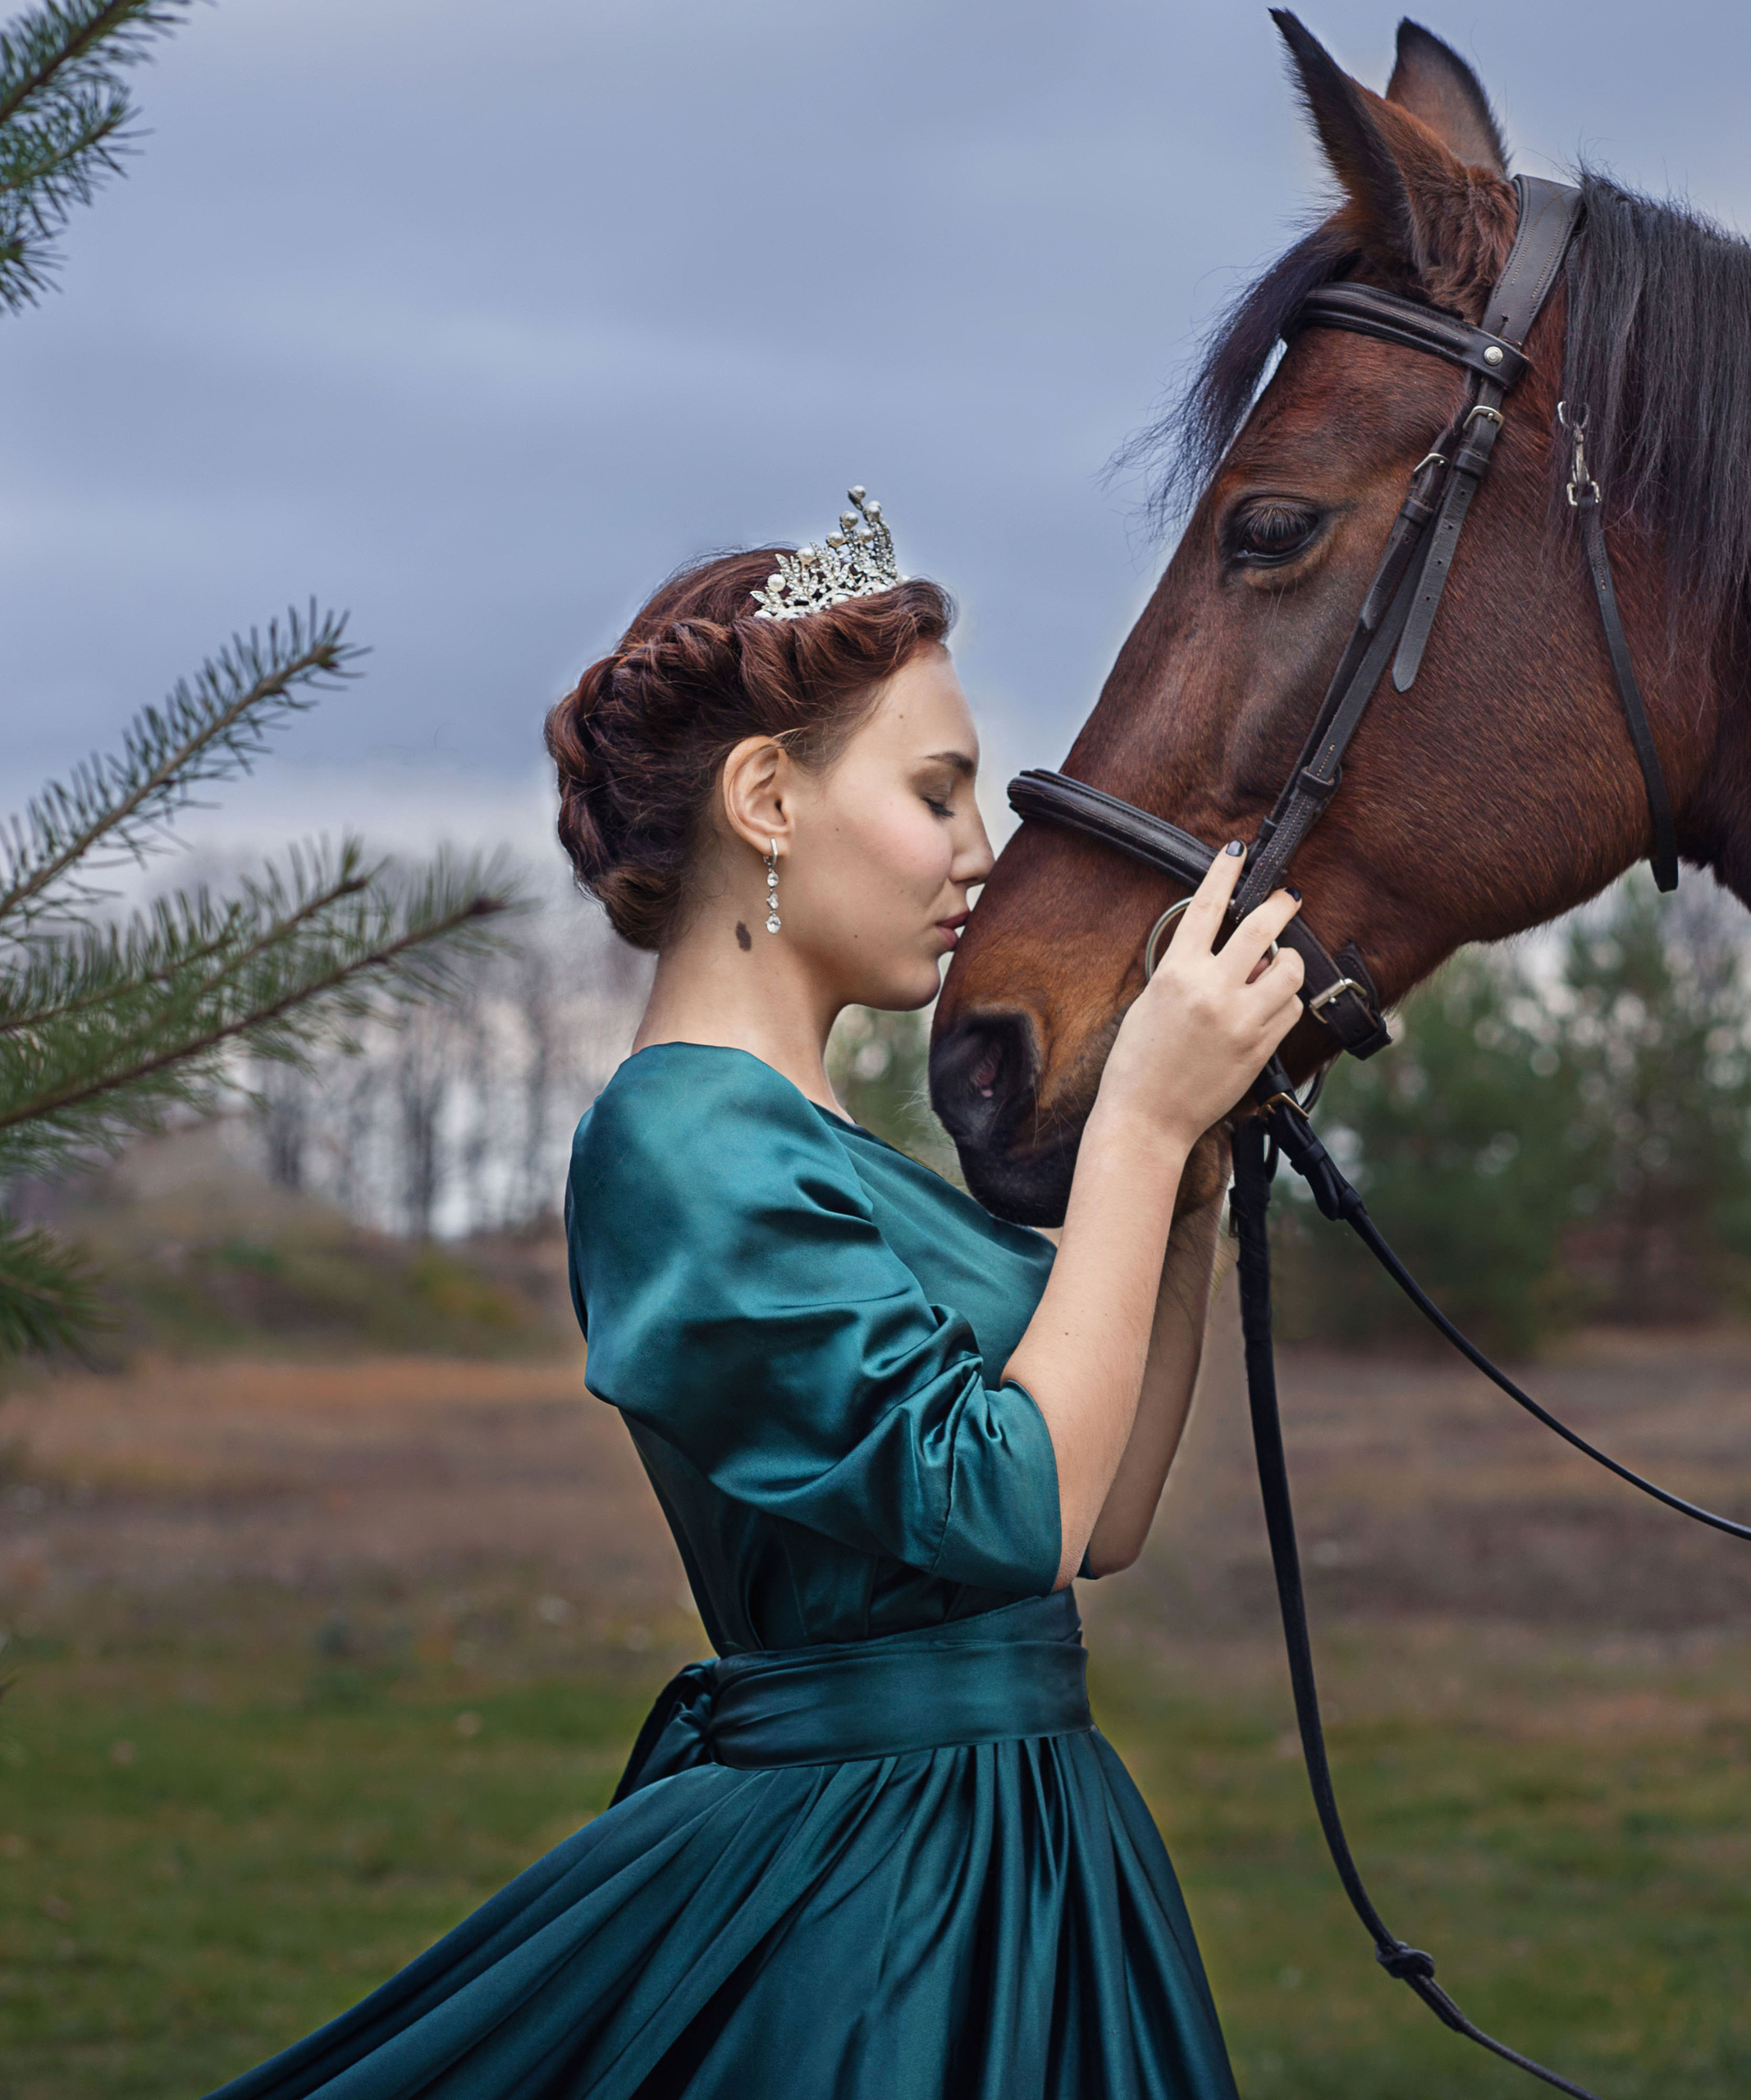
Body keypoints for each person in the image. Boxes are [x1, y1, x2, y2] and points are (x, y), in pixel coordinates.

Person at [202, 492, 1304, 2100]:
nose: (978, 853)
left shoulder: (824, 1145)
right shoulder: (676, 1138)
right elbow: (1015, 1509)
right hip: (879, 1890)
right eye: (935, 792)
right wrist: (1130, 1120)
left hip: (1034, 1836)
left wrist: (1187, 1179)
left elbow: (1105, 1507)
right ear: (766, 794)